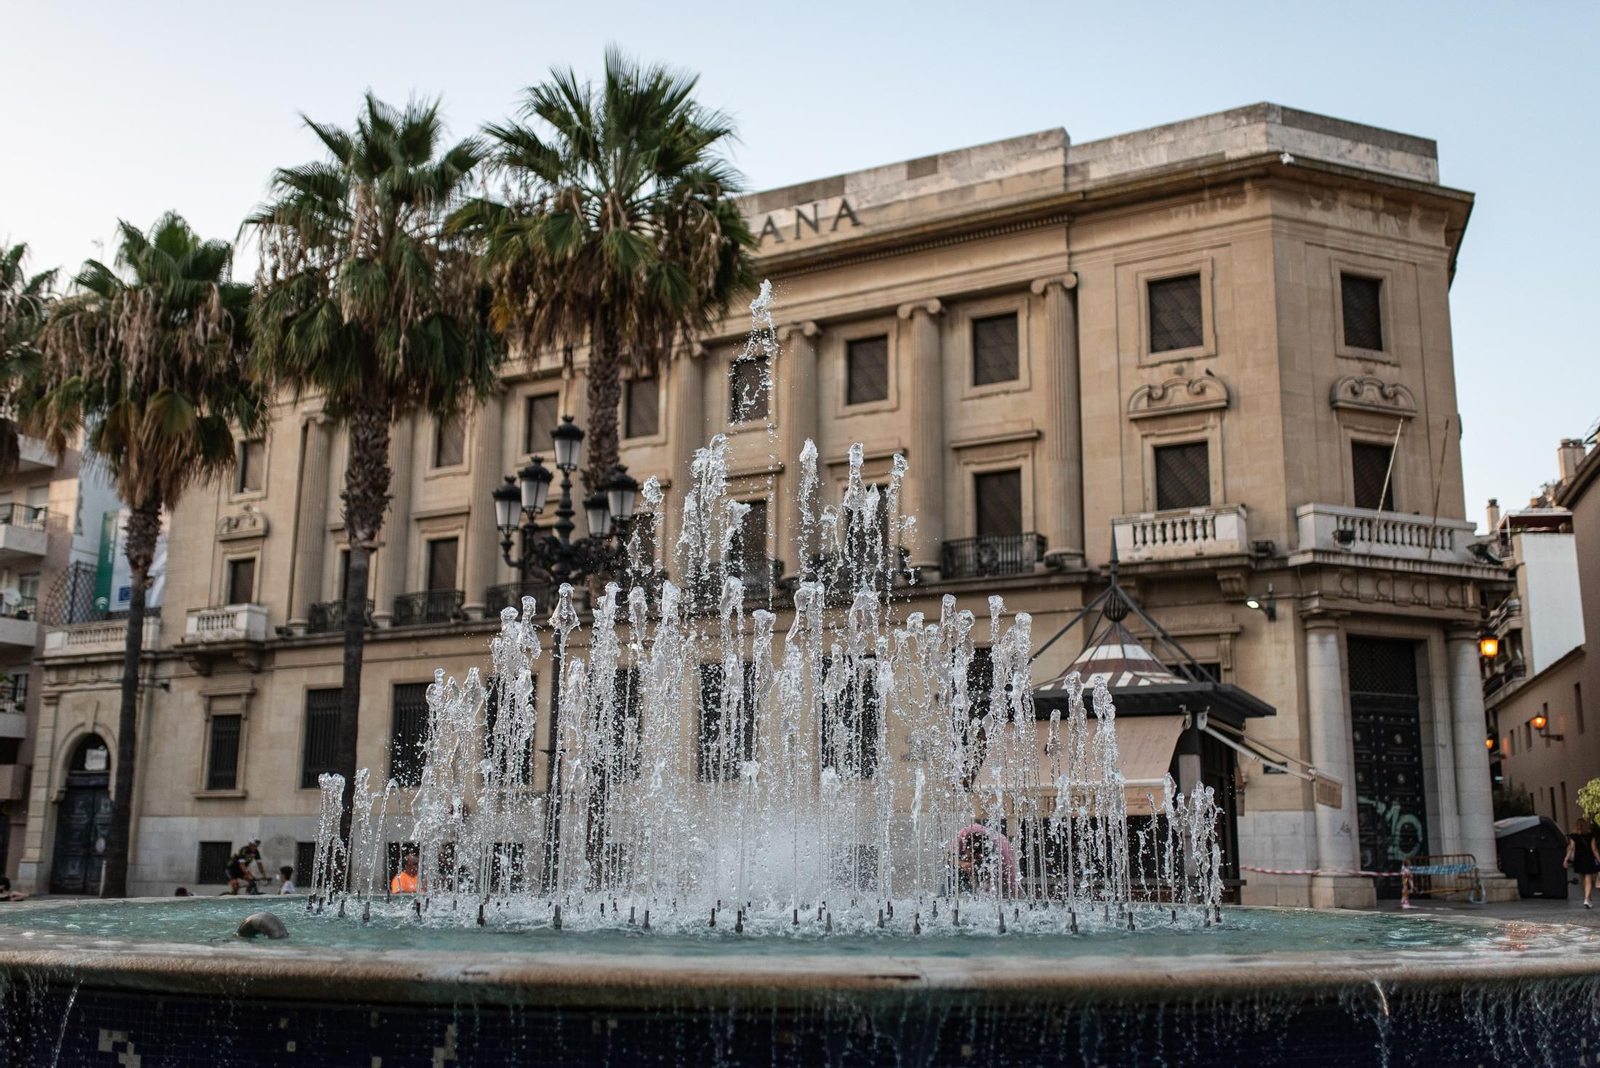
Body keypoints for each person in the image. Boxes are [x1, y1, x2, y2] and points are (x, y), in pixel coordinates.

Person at [1565, 818, 1600, 908]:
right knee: (1588, 878)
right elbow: (1594, 849)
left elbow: (1571, 848)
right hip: (1588, 858)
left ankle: (1588, 898)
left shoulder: (1574, 836)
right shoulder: (1590, 836)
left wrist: (1566, 859)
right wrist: (1599, 859)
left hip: (1579, 858)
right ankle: (1587, 899)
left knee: (1584, 878)